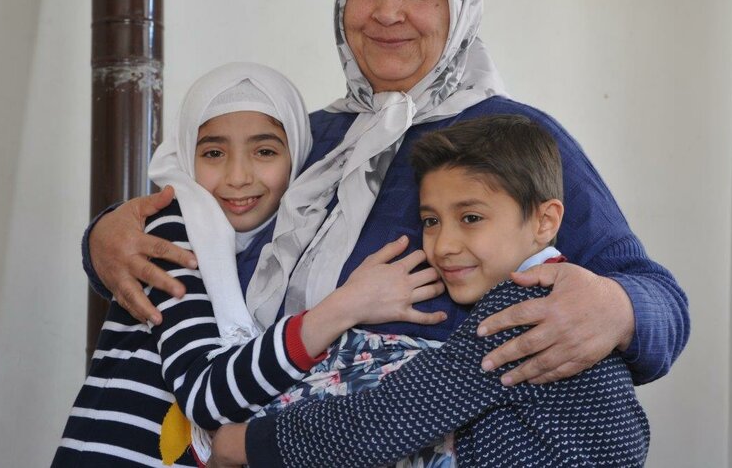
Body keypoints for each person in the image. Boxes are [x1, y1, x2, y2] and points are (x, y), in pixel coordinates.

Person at [83, 0, 688, 447]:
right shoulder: (301, 138)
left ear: (461, 2)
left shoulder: (511, 139)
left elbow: (658, 298)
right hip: (243, 432)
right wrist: (103, 240)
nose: (388, 12)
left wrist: (617, 307)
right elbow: (198, 234)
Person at [54, 63, 446, 467]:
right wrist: (347, 306)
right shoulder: (172, 230)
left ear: (298, 159)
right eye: (213, 153)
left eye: (264, 151)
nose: (238, 176)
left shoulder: (278, 237)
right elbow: (205, 396)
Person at [208, 114, 651, 468]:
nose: (444, 245)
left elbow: (386, 421)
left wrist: (248, 443)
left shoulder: (529, 309)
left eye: (471, 218)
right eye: (431, 221)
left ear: (544, 222)